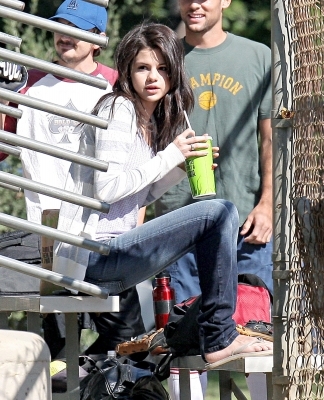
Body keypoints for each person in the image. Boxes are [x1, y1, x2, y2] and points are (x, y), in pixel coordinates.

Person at [52, 21, 273, 371]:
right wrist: (170, 154)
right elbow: (107, 189)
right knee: (221, 211)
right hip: (92, 256)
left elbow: (138, 193)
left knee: (215, 215)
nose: (153, 77)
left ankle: (211, 329)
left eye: (163, 68)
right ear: (127, 70)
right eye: (143, 67)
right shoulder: (119, 110)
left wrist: (178, 168)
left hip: (109, 254)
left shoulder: (145, 120)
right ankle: (219, 334)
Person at [0, 0, 145, 359]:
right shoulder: (29, 81)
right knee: (56, 336)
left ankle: (97, 378)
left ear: (97, 38)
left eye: (75, 28)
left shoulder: (118, 84)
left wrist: (135, 228)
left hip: (105, 229)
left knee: (126, 337)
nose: (64, 35)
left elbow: (140, 160)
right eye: (59, 25)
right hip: (47, 230)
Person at [154, 0, 273, 398]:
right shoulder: (161, 56)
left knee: (253, 333)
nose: (195, 3)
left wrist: (268, 202)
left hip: (244, 222)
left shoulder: (258, 56)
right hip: (179, 219)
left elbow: (270, 137)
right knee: (185, 342)